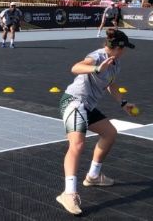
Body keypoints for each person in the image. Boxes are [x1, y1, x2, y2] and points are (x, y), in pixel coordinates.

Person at [56, 29, 138, 215]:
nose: (125, 53)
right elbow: (76, 67)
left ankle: (93, 175)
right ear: (118, 47)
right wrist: (96, 68)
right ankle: (68, 193)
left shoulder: (115, 64)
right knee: (77, 144)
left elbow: (110, 83)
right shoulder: (97, 56)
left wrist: (123, 103)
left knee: (110, 134)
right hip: (73, 101)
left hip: (87, 106)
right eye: (124, 49)